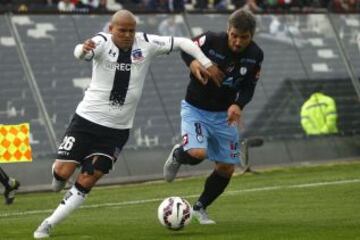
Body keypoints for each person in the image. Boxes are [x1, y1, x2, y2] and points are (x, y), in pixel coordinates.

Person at [33, 9, 218, 239]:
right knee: (62, 172)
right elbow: (80, 52)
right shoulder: (101, 42)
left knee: (88, 178)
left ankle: (48, 224)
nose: (128, 34)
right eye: (122, 30)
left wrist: (206, 62)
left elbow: (182, 42)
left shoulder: (146, 43)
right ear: (111, 29)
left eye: (131, 30)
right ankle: (58, 177)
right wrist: (83, 49)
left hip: (116, 131)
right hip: (86, 122)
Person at [163, 9, 264, 224]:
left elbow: (248, 87)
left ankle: (200, 208)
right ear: (228, 30)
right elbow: (184, 47)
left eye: (243, 38)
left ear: (251, 36)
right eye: (234, 35)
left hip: (223, 115)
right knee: (198, 152)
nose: (237, 42)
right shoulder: (211, 39)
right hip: (195, 108)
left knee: (227, 167)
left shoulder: (256, 55)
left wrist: (238, 104)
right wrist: (192, 62)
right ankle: (179, 154)